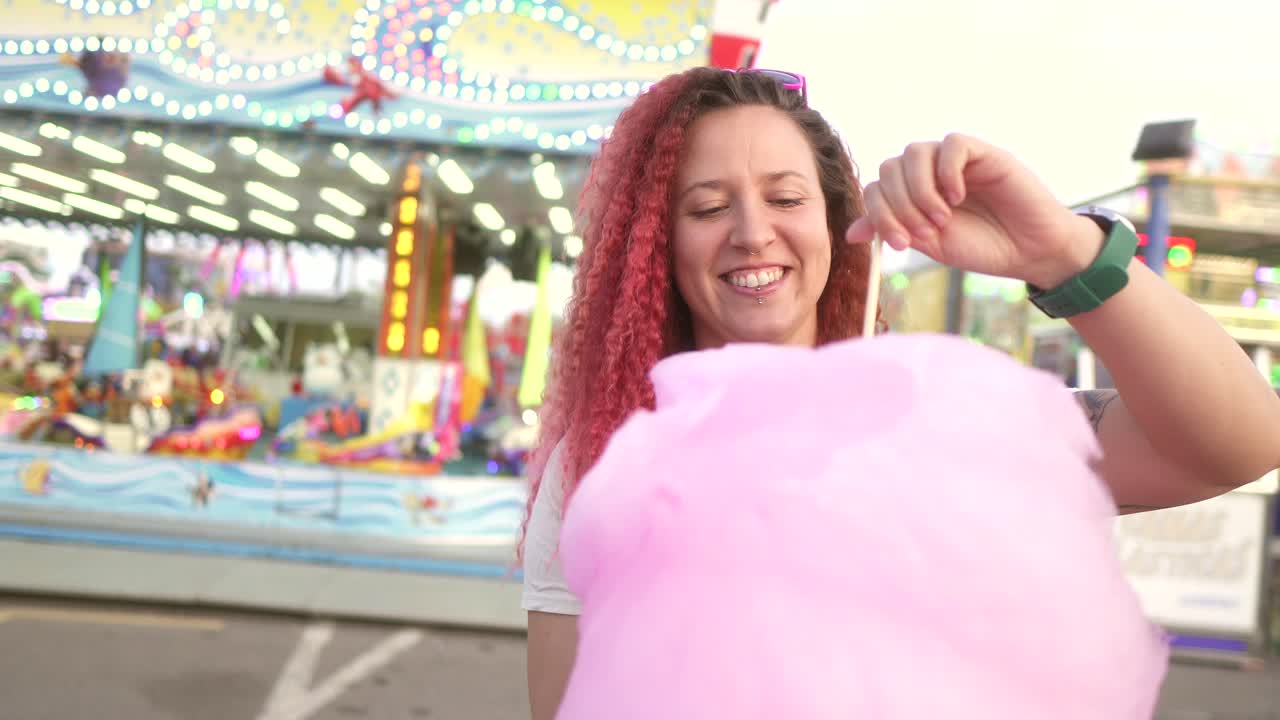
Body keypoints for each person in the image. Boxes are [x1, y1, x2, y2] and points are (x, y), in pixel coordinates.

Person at [520, 66, 1280, 719]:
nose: (752, 233)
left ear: (835, 221)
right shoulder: (604, 460)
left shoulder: (933, 417)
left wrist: (1061, 251)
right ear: (660, 245)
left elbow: (1238, 444)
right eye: (708, 207)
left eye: (785, 198)